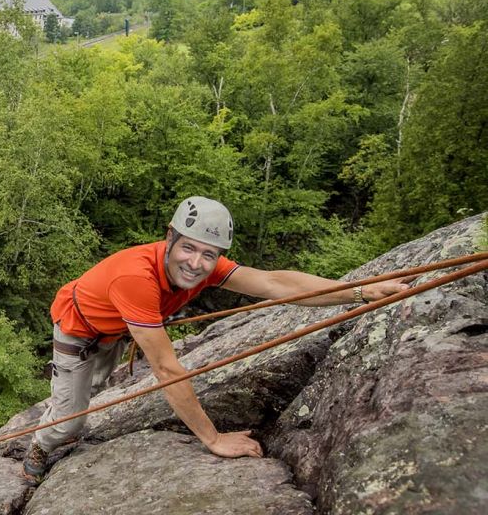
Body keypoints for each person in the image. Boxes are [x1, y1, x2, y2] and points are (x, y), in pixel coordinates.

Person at [21, 196, 412, 483]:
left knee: (93, 385)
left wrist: (360, 292)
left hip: (114, 328)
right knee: (71, 421)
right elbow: (165, 368)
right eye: (188, 248)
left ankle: (67, 400)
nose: (196, 263)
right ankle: (40, 444)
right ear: (169, 238)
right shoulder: (135, 279)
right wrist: (213, 438)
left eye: (209, 255)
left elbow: (274, 282)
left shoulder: (205, 265)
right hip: (78, 329)